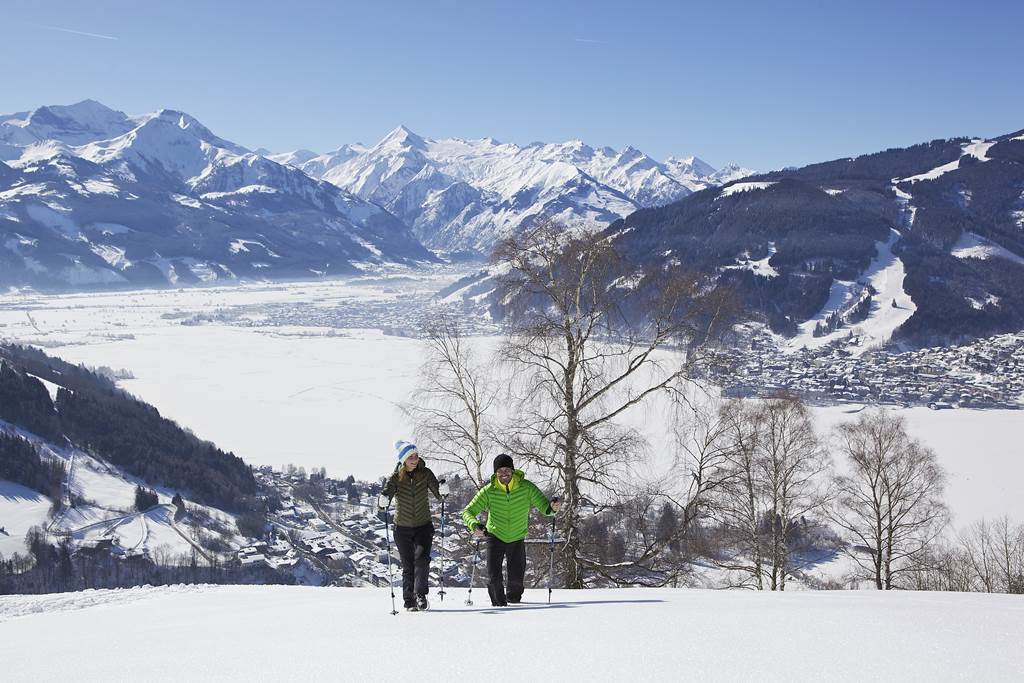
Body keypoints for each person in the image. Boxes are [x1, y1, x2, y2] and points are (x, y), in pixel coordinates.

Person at [461, 453, 560, 606]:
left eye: (507, 470)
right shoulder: (489, 491)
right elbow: (468, 511)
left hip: (517, 536)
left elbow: (545, 508)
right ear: (496, 473)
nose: (504, 474)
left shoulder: (526, 487)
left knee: (516, 579)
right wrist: (474, 525)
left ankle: (514, 602)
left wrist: (553, 508)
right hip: (495, 535)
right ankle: (499, 604)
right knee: (494, 577)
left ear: (513, 471)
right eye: (500, 471)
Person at [380, 440, 441, 611]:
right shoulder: (395, 478)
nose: (414, 459)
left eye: (416, 456)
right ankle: (409, 601)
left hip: (423, 525)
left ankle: (420, 595)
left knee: (422, 560)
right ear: (403, 460)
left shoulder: (426, 473)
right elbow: (385, 497)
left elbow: (439, 495)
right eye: (410, 457)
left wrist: (443, 491)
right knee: (408, 566)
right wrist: (382, 502)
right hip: (402, 528)